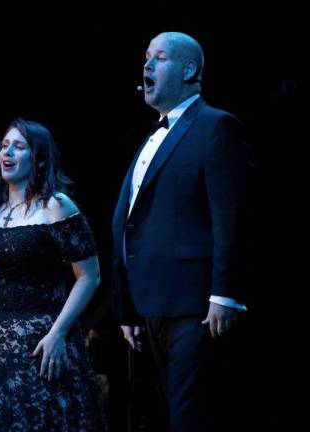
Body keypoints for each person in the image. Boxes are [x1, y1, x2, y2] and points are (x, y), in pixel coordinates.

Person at [112, 32, 253, 431]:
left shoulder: (216, 126)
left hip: (195, 304)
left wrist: (225, 293)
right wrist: (125, 306)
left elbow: (231, 216)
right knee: (162, 414)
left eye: (159, 57)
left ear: (189, 70)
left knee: (190, 415)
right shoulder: (152, 137)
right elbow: (131, 222)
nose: (146, 66)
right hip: (149, 303)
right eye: (145, 58)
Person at [0, 119, 107, 431]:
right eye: (5, 145)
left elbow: (89, 277)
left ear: (39, 158)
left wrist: (58, 333)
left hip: (41, 341)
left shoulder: (57, 206)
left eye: (19, 147)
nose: (7, 152)